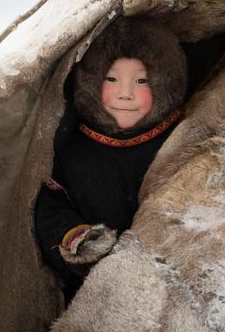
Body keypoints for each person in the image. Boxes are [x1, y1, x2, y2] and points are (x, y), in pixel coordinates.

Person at [34, 15, 188, 302]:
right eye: (112, 79)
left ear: (165, 81)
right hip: (99, 294)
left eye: (141, 80)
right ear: (91, 81)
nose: (125, 94)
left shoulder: (182, 139)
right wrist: (78, 239)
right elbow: (49, 205)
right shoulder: (72, 151)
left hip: (173, 285)